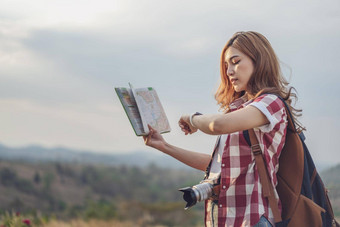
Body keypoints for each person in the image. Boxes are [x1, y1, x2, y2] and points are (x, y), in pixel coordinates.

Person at [143, 31, 303, 227]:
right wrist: (164, 146)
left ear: (259, 60)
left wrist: (192, 119)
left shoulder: (271, 104)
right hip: (225, 220)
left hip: (254, 218)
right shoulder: (239, 110)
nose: (229, 72)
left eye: (236, 61)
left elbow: (217, 125)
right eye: (226, 66)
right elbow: (218, 166)